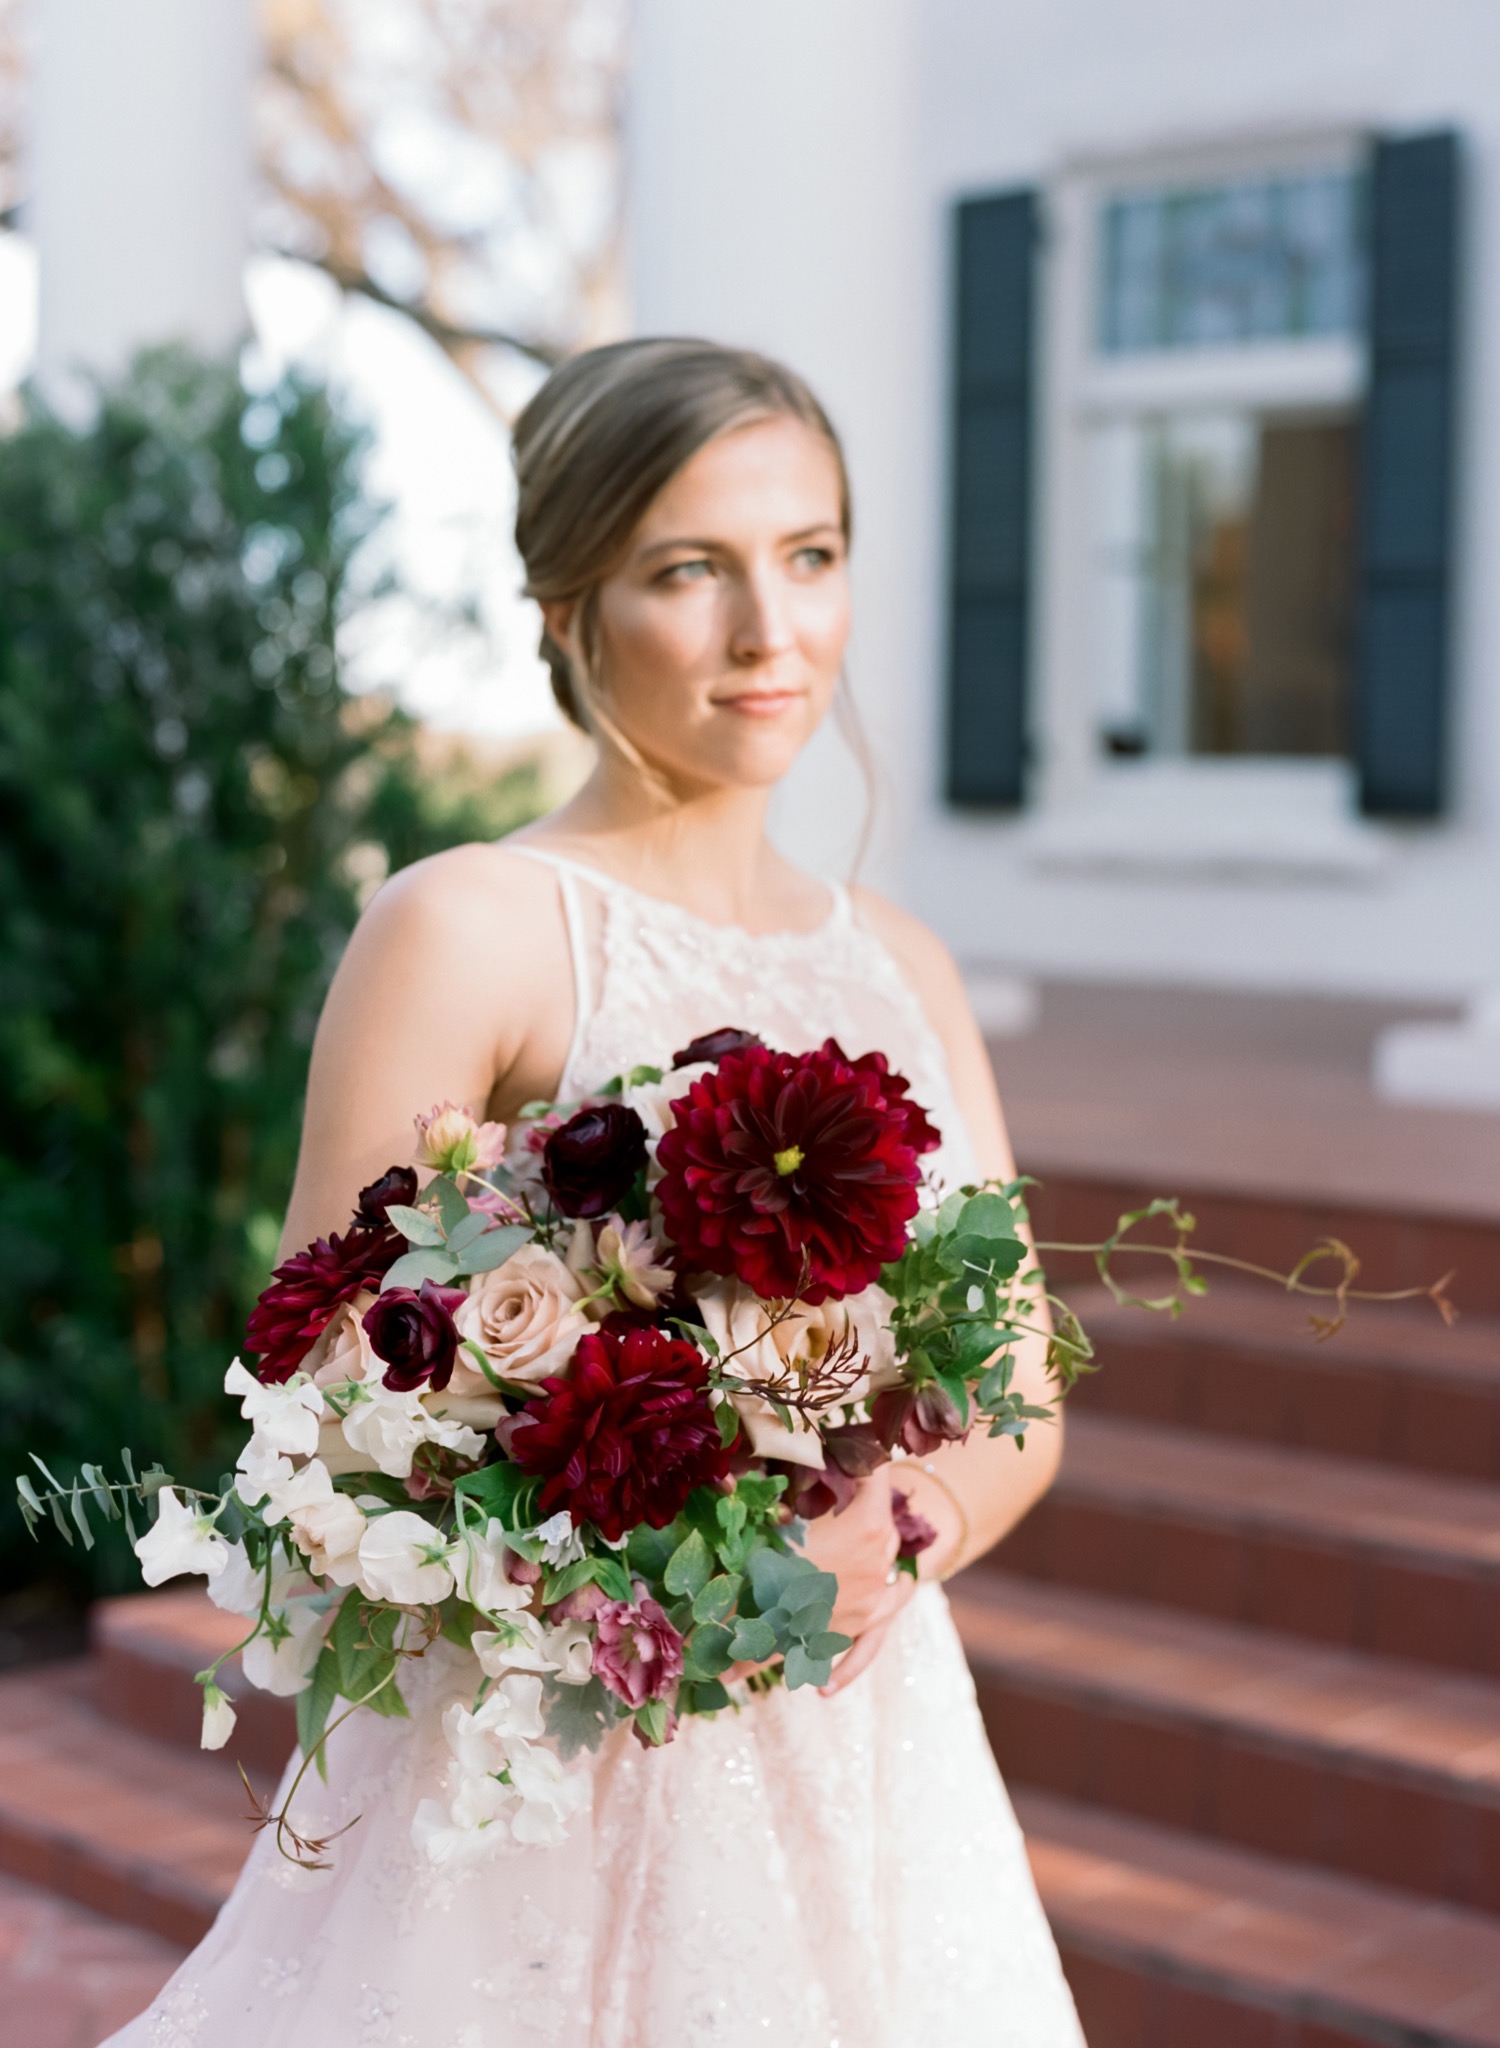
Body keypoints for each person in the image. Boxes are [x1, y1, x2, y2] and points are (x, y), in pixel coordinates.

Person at [106, 338, 1086, 2047]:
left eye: (811, 555)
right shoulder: (473, 923)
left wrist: (891, 1532)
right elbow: (322, 1377)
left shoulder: (905, 968)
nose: (769, 634)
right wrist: (631, 1489)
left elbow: (1024, 1394)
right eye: (688, 571)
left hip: (868, 1752)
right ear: (568, 605)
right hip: (542, 1774)